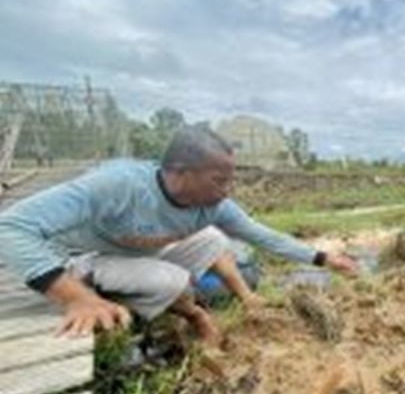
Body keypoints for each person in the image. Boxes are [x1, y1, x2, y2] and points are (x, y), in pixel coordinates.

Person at [0, 125, 358, 343]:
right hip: (82, 262)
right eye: (220, 180)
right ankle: (197, 317)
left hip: (135, 254)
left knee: (217, 240)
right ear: (182, 173)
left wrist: (324, 258)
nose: (227, 190)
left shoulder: (214, 206)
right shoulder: (116, 186)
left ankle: (246, 297)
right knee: (172, 280)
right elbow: (10, 227)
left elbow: (261, 235)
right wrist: (74, 297)